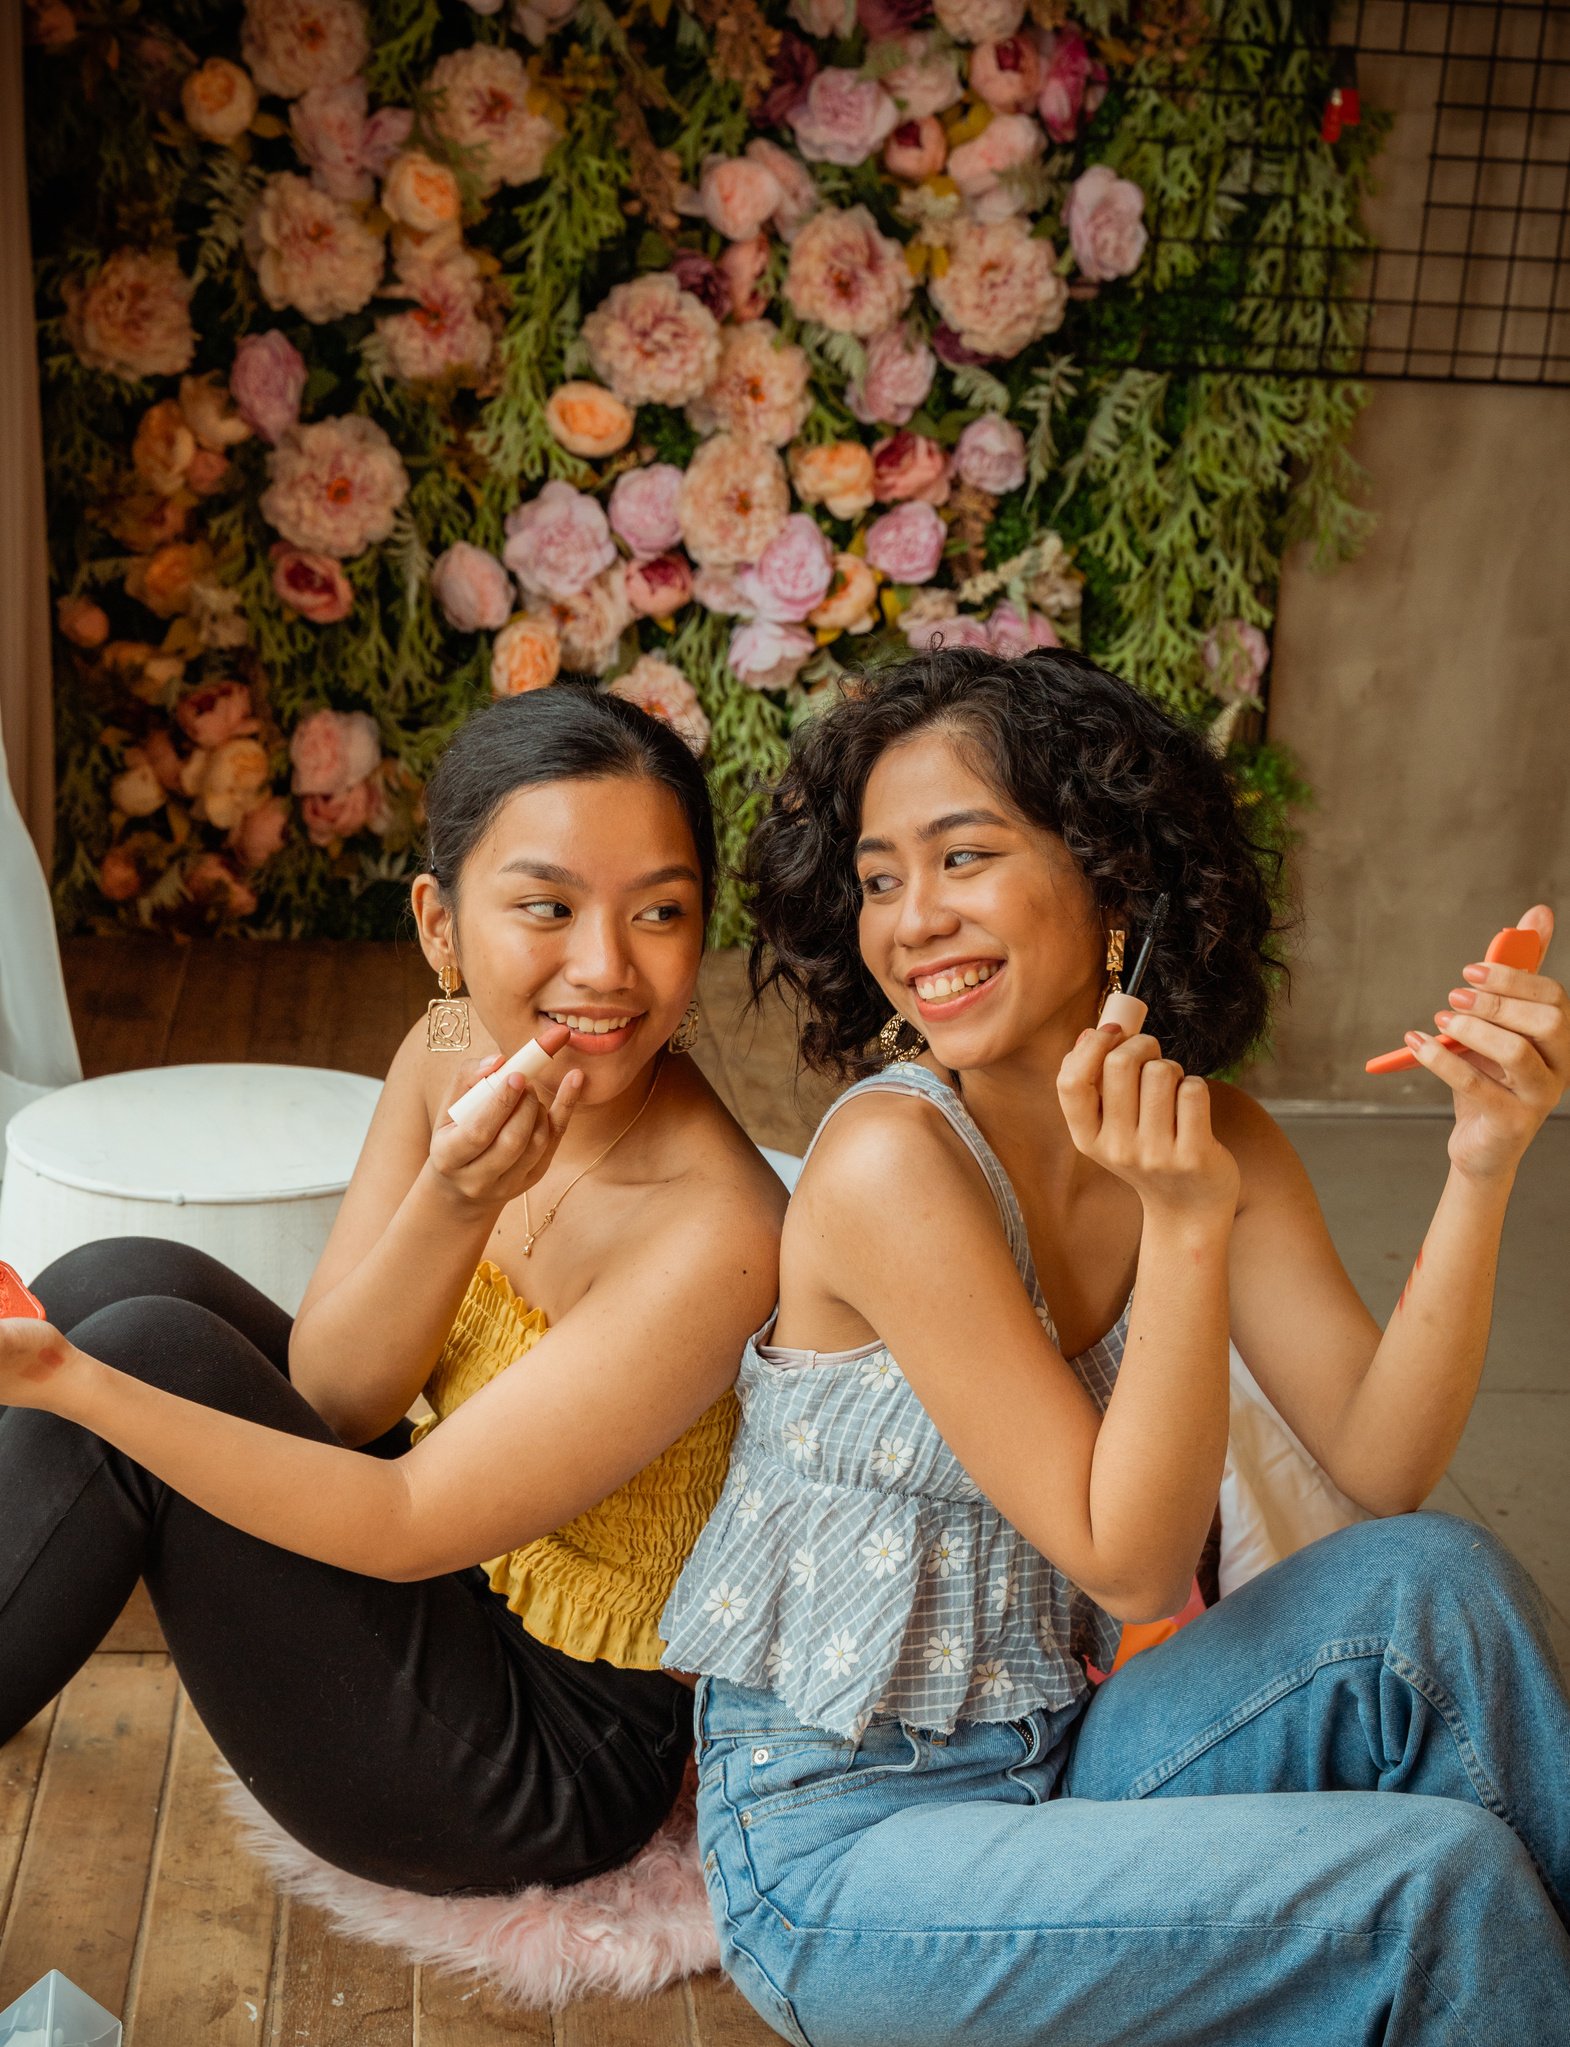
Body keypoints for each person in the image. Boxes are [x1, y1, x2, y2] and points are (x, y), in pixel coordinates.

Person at [659, 645, 1570, 2045]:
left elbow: (1380, 1462)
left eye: (962, 857)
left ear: (1114, 879)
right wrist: (1182, 1227)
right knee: (1432, 1883)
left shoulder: (1212, 1131)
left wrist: (1483, 1157)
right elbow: (1133, 1559)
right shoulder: (893, 1162)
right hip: (845, 1861)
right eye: (881, 876)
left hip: (1068, 1762)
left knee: (1431, 1585)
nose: (911, 919)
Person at [0, 683, 783, 1896]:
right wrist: (456, 1200)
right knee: (117, 1276)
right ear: (440, 924)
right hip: (450, 1585)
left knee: (132, 1354)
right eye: (546, 905)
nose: (605, 965)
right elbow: (340, 1395)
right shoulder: (446, 1046)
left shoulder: (721, 1231)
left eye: (660, 912)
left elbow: (408, 1518)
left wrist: (73, 1385)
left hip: (548, 1749)